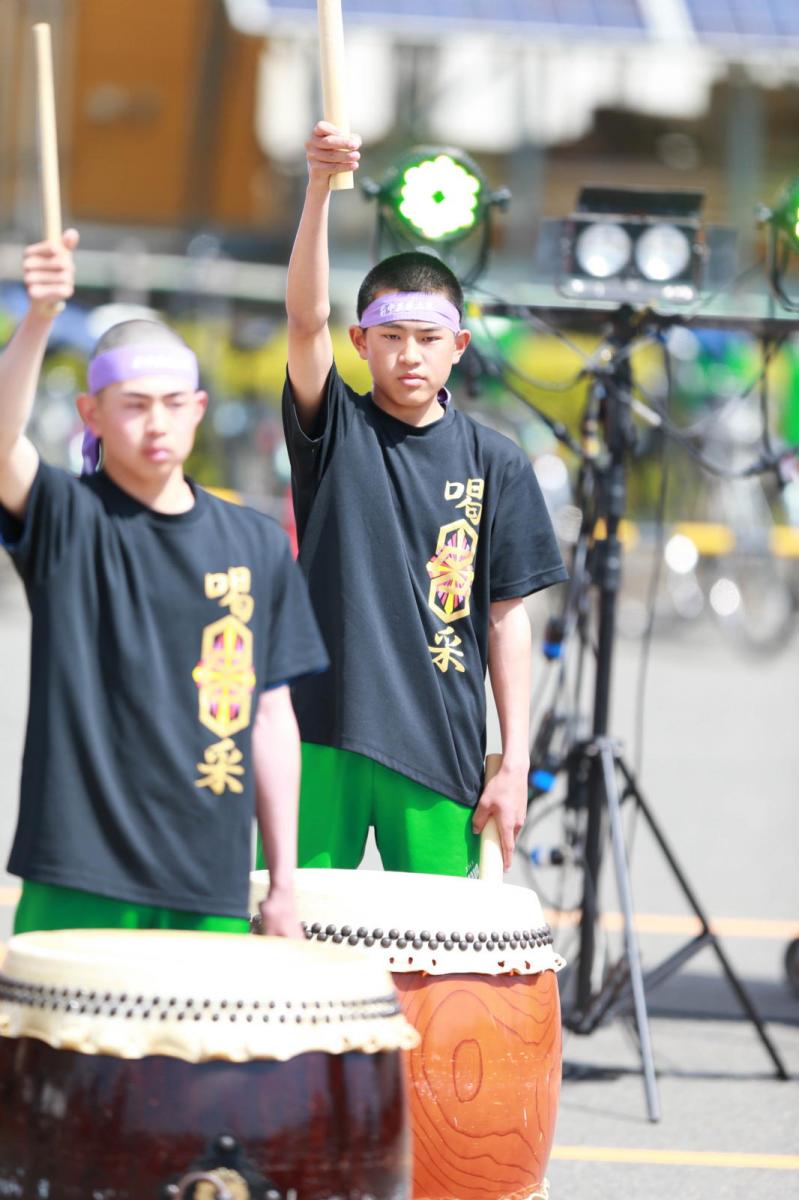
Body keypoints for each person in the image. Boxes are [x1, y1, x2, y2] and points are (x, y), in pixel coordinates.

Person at [0, 230, 328, 937]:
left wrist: (282, 884)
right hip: (76, 869)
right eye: (133, 404)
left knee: (197, 1053)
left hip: (206, 876)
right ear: (91, 414)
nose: (157, 422)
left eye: (174, 403)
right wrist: (39, 318)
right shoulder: (68, 516)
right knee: (60, 1052)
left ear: (199, 409)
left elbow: (271, 719)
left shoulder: (256, 545)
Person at [268, 121, 567, 879]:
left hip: (439, 748)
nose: (408, 355)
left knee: (437, 968)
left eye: (427, 338)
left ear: (458, 348)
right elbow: (304, 319)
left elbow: (506, 621)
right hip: (319, 735)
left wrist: (512, 762)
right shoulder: (331, 428)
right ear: (360, 344)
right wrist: (317, 189)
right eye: (389, 335)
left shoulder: (496, 463)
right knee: (300, 951)